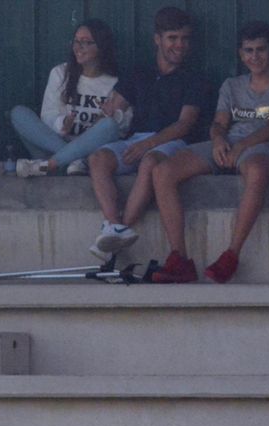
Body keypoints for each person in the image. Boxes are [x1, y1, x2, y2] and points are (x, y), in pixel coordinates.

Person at [149, 22, 269, 284]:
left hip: (262, 144)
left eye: (260, 50)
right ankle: (179, 259)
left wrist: (241, 146)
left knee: (257, 171)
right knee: (162, 171)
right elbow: (219, 123)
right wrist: (217, 140)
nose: (255, 56)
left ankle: (231, 255)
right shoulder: (232, 85)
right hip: (228, 143)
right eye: (248, 51)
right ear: (241, 54)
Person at [85, 6, 208, 259]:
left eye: (185, 38)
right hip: (135, 139)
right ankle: (114, 226)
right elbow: (114, 108)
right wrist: (107, 111)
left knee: (150, 162)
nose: (180, 45)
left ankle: (120, 230)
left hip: (173, 142)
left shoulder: (195, 78)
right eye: (172, 38)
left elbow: (184, 124)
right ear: (157, 39)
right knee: (97, 159)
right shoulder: (139, 72)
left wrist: (148, 144)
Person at [9, 19, 126, 177]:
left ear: (102, 46)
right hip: (54, 149)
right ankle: (74, 160)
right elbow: (47, 115)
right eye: (76, 41)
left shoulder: (115, 82)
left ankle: (51, 165)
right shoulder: (60, 73)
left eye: (86, 42)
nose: (78, 47)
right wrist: (62, 123)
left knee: (110, 125)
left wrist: (111, 115)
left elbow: (123, 128)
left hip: (92, 154)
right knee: (18, 113)